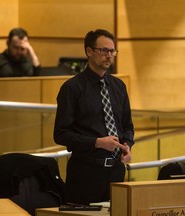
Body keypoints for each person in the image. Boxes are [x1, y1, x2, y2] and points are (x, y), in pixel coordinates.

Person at [54, 29, 134, 205]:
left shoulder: (119, 86)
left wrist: (127, 145)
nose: (109, 56)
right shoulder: (72, 88)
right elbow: (60, 134)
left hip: (116, 171)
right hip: (85, 172)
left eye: (112, 51)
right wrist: (97, 142)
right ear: (89, 52)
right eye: (104, 50)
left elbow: (127, 126)